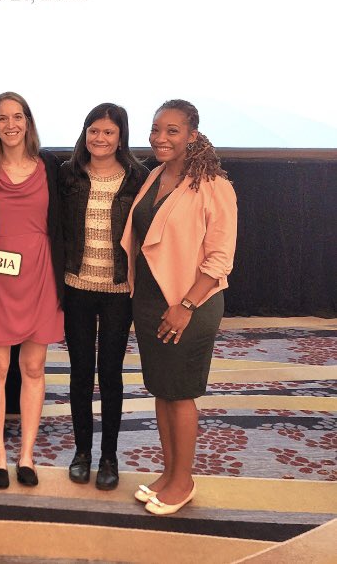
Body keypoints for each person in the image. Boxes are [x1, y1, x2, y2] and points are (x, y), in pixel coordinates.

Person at [121, 99, 237, 515]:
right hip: (151, 300)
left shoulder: (213, 185)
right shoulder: (154, 175)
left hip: (191, 303)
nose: (160, 138)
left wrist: (185, 304)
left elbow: (220, 258)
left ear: (192, 134)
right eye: (156, 129)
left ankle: (183, 481)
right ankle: (169, 474)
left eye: (172, 130)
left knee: (182, 393)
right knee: (162, 390)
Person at [59, 103, 148, 490]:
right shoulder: (68, 174)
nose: (100, 138)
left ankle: (109, 456)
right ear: (85, 133)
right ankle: (82, 452)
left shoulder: (138, 177)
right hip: (77, 286)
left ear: (121, 137)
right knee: (80, 375)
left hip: (118, 291)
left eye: (108, 132)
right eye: (94, 130)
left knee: (110, 374)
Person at [0, 92, 63, 489]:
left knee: (32, 368)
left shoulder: (50, 166)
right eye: (2, 118)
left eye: (17, 116)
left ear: (28, 121)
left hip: (42, 273)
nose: (10, 124)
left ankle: (26, 456)